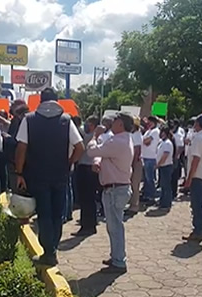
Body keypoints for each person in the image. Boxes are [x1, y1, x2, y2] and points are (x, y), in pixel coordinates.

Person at [15, 88, 84, 266]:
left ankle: (48, 252)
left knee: (44, 213)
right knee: (56, 214)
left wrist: (19, 173)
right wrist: (68, 163)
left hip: (37, 175)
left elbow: (21, 148)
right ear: (57, 101)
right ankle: (52, 248)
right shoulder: (66, 120)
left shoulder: (29, 120)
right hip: (60, 175)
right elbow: (80, 147)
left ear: (40, 101)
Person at [86, 112, 134, 273]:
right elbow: (103, 156)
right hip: (116, 188)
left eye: (115, 121)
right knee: (114, 226)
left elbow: (93, 151)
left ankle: (119, 261)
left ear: (121, 124)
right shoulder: (122, 139)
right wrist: (98, 162)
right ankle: (116, 256)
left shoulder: (118, 141)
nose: (112, 124)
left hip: (115, 189)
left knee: (115, 227)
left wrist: (95, 136)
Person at [73, 116, 100, 236]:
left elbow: (82, 147)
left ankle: (87, 226)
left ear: (92, 125)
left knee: (87, 199)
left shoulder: (92, 137)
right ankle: (89, 224)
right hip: (88, 168)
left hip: (87, 168)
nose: (86, 125)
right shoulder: (94, 135)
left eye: (88, 123)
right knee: (88, 199)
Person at [141, 116, 160, 203]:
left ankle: (151, 196)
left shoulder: (155, 131)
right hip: (145, 156)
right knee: (146, 178)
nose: (148, 124)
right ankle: (147, 194)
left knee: (150, 178)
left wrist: (145, 141)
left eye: (150, 122)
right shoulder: (149, 131)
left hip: (151, 157)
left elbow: (146, 141)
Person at [127, 118, 143, 215]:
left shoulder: (137, 135)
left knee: (135, 185)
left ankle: (134, 206)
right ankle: (132, 204)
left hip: (135, 162)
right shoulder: (132, 134)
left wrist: (132, 163)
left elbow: (137, 150)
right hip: (131, 161)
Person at [156, 126, 175, 210]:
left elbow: (165, 155)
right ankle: (162, 201)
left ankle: (166, 203)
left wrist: (158, 164)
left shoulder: (167, 143)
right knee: (163, 185)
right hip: (162, 166)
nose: (161, 133)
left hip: (166, 166)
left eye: (163, 132)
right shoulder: (162, 142)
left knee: (166, 186)